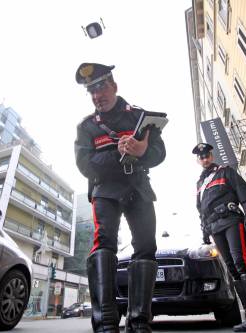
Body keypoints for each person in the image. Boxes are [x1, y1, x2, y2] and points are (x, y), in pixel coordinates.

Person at [74, 63, 166, 333]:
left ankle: (138, 323)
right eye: (91, 90)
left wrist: (142, 151)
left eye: (100, 87)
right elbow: (85, 165)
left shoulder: (140, 116)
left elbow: (160, 152)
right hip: (105, 190)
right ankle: (106, 324)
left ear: (114, 86)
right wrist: (120, 151)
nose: (96, 95)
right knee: (104, 244)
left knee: (146, 247)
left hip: (138, 187)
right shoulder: (86, 127)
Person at [193, 143, 246, 333]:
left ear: (211, 155)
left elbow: (241, 189)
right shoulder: (200, 183)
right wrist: (204, 231)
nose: (204, 159)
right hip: (214, 227)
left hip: (230, 220)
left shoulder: (225, 171)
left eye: (207, 155)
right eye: (201, 157)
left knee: (241, 261)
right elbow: (201, 209)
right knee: (231, 268)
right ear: (198, 160)